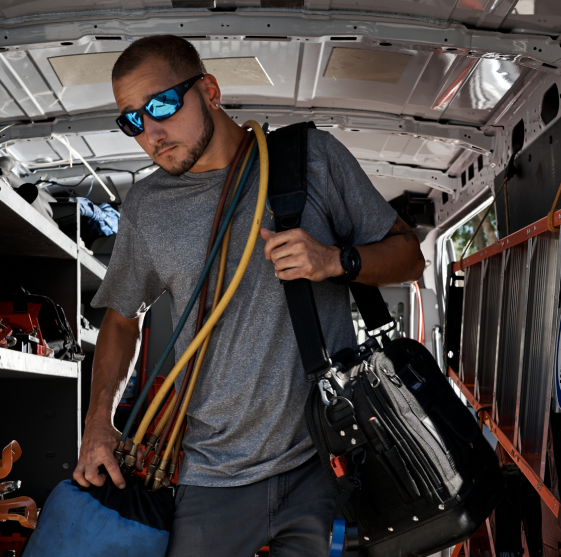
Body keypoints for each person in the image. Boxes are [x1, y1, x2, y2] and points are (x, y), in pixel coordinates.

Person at [73, 34, 425, 557]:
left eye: (161, 104)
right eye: (131, 120)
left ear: (209, 91)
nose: (150, 131)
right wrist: (98, 422)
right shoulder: (147, 205)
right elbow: (123, 318)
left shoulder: (310, 160)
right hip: (210, 474)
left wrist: (335, 261)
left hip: (325, 462)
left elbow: (409, 255)